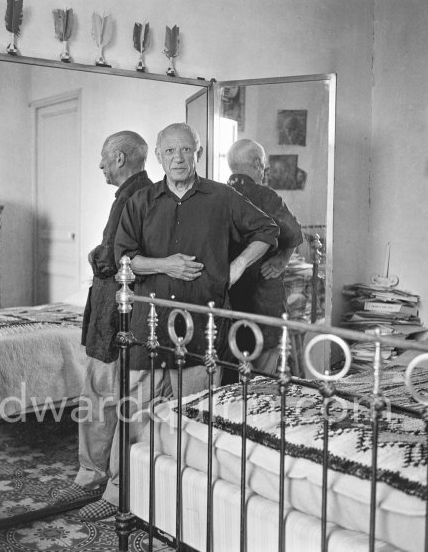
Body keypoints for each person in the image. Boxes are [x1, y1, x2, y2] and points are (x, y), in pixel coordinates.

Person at [72, 123, 278, 521]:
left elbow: (268, 230)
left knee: (192, 420)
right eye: (170, 151)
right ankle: (119, 493)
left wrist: (236, 266)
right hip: (146, 325)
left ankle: (179, 501)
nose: (179, 158)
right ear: (159, 157)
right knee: (134, 416)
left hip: (202, 329)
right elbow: (121, 259)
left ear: (198, 153)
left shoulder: (222, 197)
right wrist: (166, 264)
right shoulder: (143, 200)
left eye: (186, 150)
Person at [54, 131, 151, 518]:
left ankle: (105, 483)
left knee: (108, 398)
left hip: (116, 315)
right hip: (109, 311)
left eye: (104, 158)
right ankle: (95, 476)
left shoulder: (136, 198)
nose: (100, 165)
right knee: (102, 395)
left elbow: (112, 259)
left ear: (121, 158)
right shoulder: (133, 196)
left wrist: (97, 255)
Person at [226, 139, 303, 376]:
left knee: (228, 372)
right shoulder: (266, 197)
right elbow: (294, 233)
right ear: (258, 164)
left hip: (225, 294)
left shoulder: (216, 194)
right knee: (263, 375)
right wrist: (282, 260)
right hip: (262, 297)